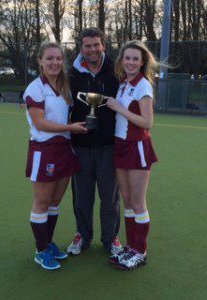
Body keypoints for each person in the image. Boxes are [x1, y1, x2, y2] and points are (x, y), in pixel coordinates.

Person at [23, 42, 87, 270]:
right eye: (49, 58)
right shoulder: (35, 88)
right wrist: (70, 128)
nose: (54, 63)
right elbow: (40, 123)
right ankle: (40, 251)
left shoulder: (65, 85)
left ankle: (48, 244)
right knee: (42, 203)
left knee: (55, 202)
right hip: (45, 150)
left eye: (58, 58)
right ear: (40, 61)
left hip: (64, 149)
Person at [67, 27, 122, 255]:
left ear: (103, 46)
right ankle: (83, 235)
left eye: (96, 45)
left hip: (109, 145)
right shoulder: (72, 74)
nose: (92, 49)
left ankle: (111, 239)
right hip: (81, 146)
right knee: (82, 198)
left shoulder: (116, 70)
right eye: (87, 46)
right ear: (82, 48)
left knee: (109, 198)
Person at [107, 40, 158, 270]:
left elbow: (147, 122)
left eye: (135, 58)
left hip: (137, 146)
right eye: (127, 58)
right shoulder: (124, 83)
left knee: (138, 202)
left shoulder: (143, 86)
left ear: (142, 62)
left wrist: (119, 109)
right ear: (122, 60)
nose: (130, 62)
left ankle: (141, 251)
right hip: (121, 146)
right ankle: (130, 247)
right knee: (127, 201)